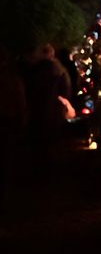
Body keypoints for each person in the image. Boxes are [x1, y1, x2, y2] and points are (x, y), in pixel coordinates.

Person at [20, 43, 74, 171]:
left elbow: (28, 90)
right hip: (55, 111)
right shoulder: (60, 71)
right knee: (53, 140)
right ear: (52, 54)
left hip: (37, 110)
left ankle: (38, 167)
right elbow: (66, 92)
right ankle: (53, 167)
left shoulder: (34, 70)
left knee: (39, 142)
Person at [0, 45, 27, 208]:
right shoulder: (12, 79)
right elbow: (20, 101)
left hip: (7, 120)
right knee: (6, 158)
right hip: (8, 120)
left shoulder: (12, 79)